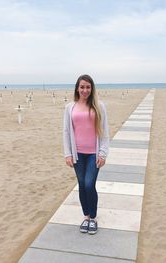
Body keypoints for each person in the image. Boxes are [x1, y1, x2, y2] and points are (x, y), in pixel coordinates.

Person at [63, 74, 109, 235]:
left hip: (93, 154)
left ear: (92, 88)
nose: (85, 90)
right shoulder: (70, 107)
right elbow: (67, 132)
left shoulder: (99, 106)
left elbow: (104, 131)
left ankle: (94, 218)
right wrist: (67, 154)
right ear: (77, 88)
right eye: (82, 87)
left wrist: (102, 154)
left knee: (89, 184)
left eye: (88, 87)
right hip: (77, 155)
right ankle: (86, 216)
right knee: (82, 185)